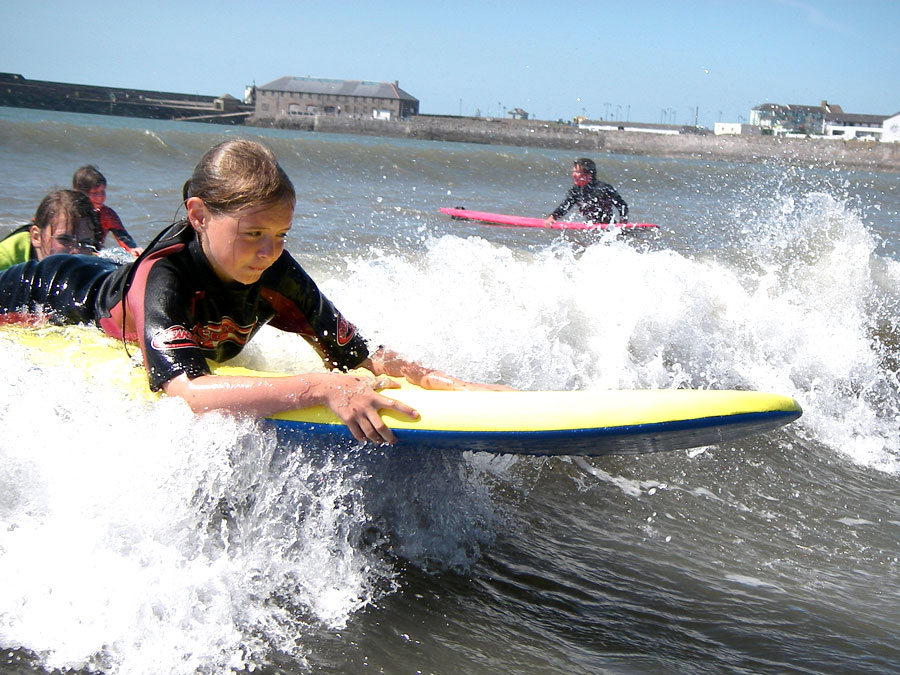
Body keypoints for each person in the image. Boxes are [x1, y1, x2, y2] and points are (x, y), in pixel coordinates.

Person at [0, 140, 508, 444]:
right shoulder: (166, 276)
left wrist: (456, 386)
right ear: (198, 215)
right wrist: (320, 387)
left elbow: (358, 355)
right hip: (51, 290)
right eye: (253, 234)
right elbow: (187, 392)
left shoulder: (275, 271)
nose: (270, 252)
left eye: (281, 234)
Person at [0, 190, 99, 272]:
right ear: (36, 237)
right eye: (64, 239)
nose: (77, 252)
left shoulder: (93, 262)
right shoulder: (4, 260)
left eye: (85, 243)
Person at [72, 165, 144, 256]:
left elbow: (123, 237)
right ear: (80, 193)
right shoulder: (70, 213)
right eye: (94, 193)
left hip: (95, 257)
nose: (100, 197)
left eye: (102, 192)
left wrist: (133, 249)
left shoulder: (106, 214)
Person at [545, 158, 629, 225]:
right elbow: (566, 205)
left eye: (577, 172)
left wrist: (623, 221)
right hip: (591, 227)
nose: (573, 175)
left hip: (608, 228)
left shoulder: (604, 188)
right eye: (573, 171)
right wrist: (553, 216)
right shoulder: (576, 190)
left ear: (589, 174)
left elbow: (622, 205)